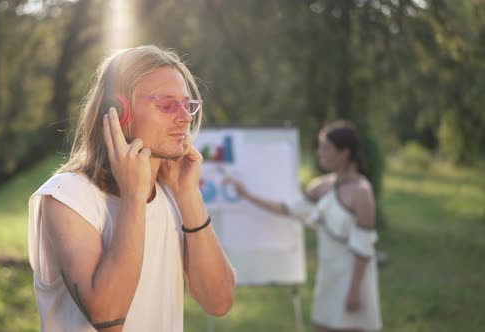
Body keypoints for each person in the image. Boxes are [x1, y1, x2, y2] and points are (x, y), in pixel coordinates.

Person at [27, 45, 236, 332]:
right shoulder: (66, 197)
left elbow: (219, 302)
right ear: (119, 112)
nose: (185, 118)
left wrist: (189, 195)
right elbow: (108, 317)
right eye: (167, 105)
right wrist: (134, 196)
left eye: (187, 105)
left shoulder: (174, 194)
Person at [226, 120, 382, 332]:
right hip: (329, 274)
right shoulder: (321, 186)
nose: (320, 153)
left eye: (326, 148)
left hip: (354, 277)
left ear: (344, 152)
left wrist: (354, 291)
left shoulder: (362, 192)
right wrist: (247, 195)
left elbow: (364, 247)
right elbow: (287, 209)